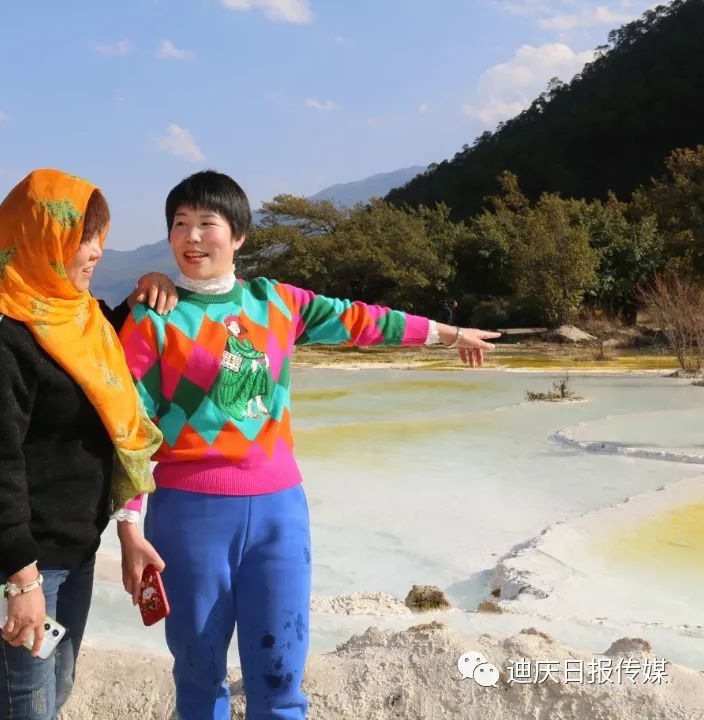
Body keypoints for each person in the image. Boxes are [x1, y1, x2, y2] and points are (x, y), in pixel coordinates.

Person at [116, 170, 499, 720]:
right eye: (180, 224)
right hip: (189, 514)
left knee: (281, 674)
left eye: (207, 223)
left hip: (280, 512)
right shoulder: (153, 317)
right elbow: (130, 425)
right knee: (199, 677)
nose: (192, 237)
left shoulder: (275, 302)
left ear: (238, 236)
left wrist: (447, 333)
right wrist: (128, 526)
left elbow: (360, 321)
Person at [0, 168, 175, 720]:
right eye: (81, 238)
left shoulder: (75, 314)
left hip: (75, 550)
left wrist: (143, 293)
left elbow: (87, 364)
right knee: (27, 706)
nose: (96, 251)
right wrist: (21, 580)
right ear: (38, 239)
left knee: (58, 688)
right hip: (21, 562)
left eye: (98, 236)